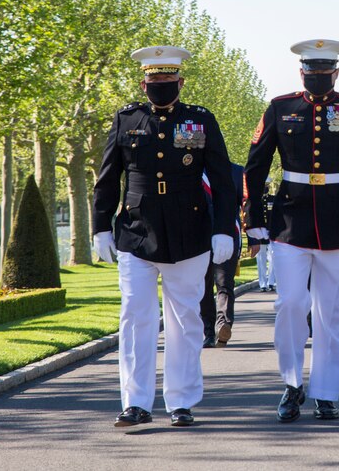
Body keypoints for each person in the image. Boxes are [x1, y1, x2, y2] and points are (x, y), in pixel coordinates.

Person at [244, 39, 339, 423]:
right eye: (312, 74)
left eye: (325, 74)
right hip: (290, 220)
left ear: (336, 74)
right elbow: (254, 166)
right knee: (289, 304)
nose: (318, 80)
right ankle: (291, 384)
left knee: (333, 313)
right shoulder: (281, 107)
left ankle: (326, 391)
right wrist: (253, 217)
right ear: (301, 73)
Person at [92, 45, 238, 428]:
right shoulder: (127, 119)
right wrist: (100, 227)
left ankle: (181, 401)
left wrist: (224, 229)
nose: (160, 86)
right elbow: (108, 179)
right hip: (137, 234)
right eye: (154, 80)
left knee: (185, 321)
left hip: (189, 234)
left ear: (181, 82)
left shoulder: (200, 120)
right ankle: (136, 403)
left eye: (168, 80)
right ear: (144, 83)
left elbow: (224, 182)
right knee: (136, 317)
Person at [200, 162, 246, 347]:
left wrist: (254, 236)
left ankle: (223, 325)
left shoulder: (236, 171)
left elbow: (244, 203)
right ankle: (209, 331)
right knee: (204, 286)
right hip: (201, 235)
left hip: (228, 233)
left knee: (225, 283)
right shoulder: (195, 168)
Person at [254, 185, 276, 292]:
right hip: (260, 233)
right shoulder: (256, 201)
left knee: (273, 258)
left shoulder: (273, 199)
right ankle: (263, 283)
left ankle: (271, 282)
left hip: (271, 233)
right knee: (261, 259)